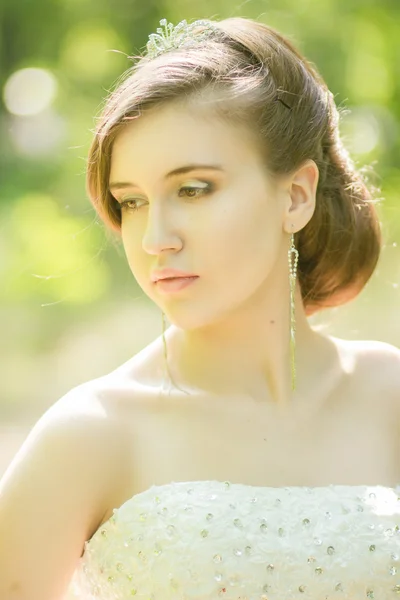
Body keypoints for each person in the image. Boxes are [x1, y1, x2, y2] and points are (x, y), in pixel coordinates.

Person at [1, 16, 400, 600]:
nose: (154, 237)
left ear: (295, 196)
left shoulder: (388, 395)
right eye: (131, 201)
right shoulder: (93, 432)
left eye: (192, 189)